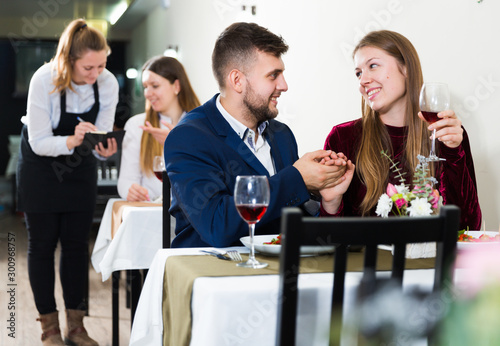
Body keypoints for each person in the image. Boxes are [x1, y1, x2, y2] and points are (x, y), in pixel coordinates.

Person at [164, 22, 347, 248]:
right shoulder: (188, 137)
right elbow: (216, 226)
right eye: (273, 75)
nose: (284, 85)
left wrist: (329, 201)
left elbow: (291, 221)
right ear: (237, 80)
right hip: (211, 275)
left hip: (276, 273)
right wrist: (297, 178)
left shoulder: (282, 134)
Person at [16, 19, 119, 345]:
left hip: (79, 169)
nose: (95, 74)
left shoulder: (107, 83)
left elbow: (99, 137)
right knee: (42, 246)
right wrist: (73, 142)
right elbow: (39, 142)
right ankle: (49, 328)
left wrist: (104, 149)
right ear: (68, 60)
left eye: (101, 65)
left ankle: (77, 327)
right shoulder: (43, 79)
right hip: (39, 166)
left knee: (76, 248)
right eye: (88, 67)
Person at [320, 30, 482, 230]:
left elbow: (468, 227)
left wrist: (453, 152)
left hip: (430, 261)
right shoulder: (343, 137)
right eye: (358, 73)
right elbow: (329, 238)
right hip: (366, 262)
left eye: (373, 66)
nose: (362, 81)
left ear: (406, 68)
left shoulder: (446, 133)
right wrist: (330, 204)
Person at [117, 56, 201, 202]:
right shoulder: (136, 125)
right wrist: (130, 190)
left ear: (176, 86)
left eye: (155, 86)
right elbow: (126, 180)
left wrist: (176, 145)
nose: (147, 93)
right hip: (148, 211)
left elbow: (204, 176)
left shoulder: (200, 125)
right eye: (145, 86)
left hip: (189, 213)